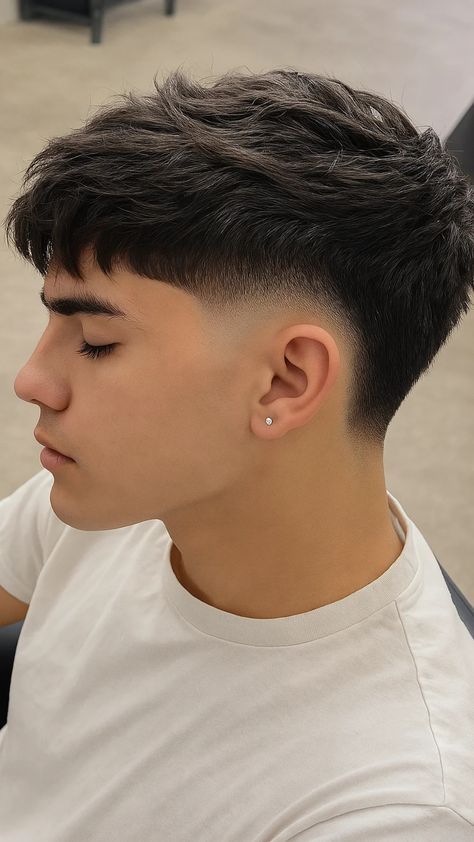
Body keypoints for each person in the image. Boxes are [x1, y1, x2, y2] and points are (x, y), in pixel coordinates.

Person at [0, 67, 473, 840]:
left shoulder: (392, 808)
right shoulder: (122, 498)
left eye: (96, 341)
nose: (31, 380)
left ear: (286, 380)